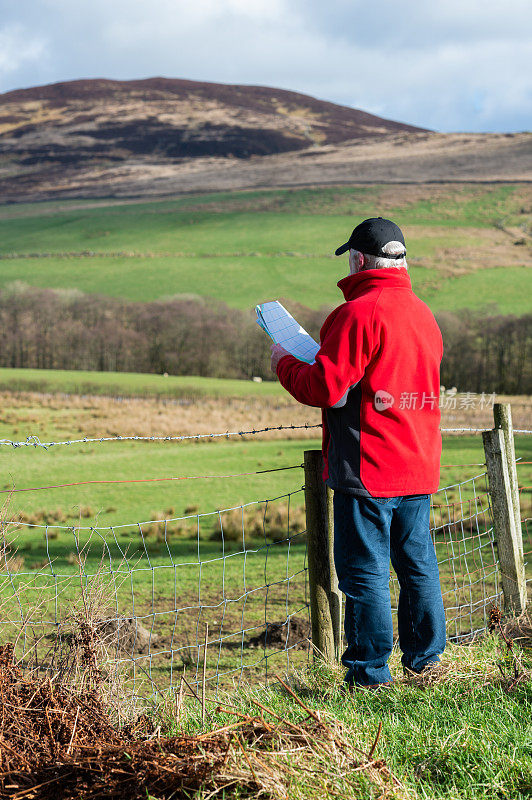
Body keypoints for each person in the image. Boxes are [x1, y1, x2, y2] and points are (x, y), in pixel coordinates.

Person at [270, 217, 446, 688]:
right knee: (417, 565)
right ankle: (427, 664)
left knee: (363, 573)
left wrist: (284, 363)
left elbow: (325, 387)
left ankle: (370, 675)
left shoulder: (357, 314)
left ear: (359, 259)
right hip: (420, 462)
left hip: (370, 467)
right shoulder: (424, 314)